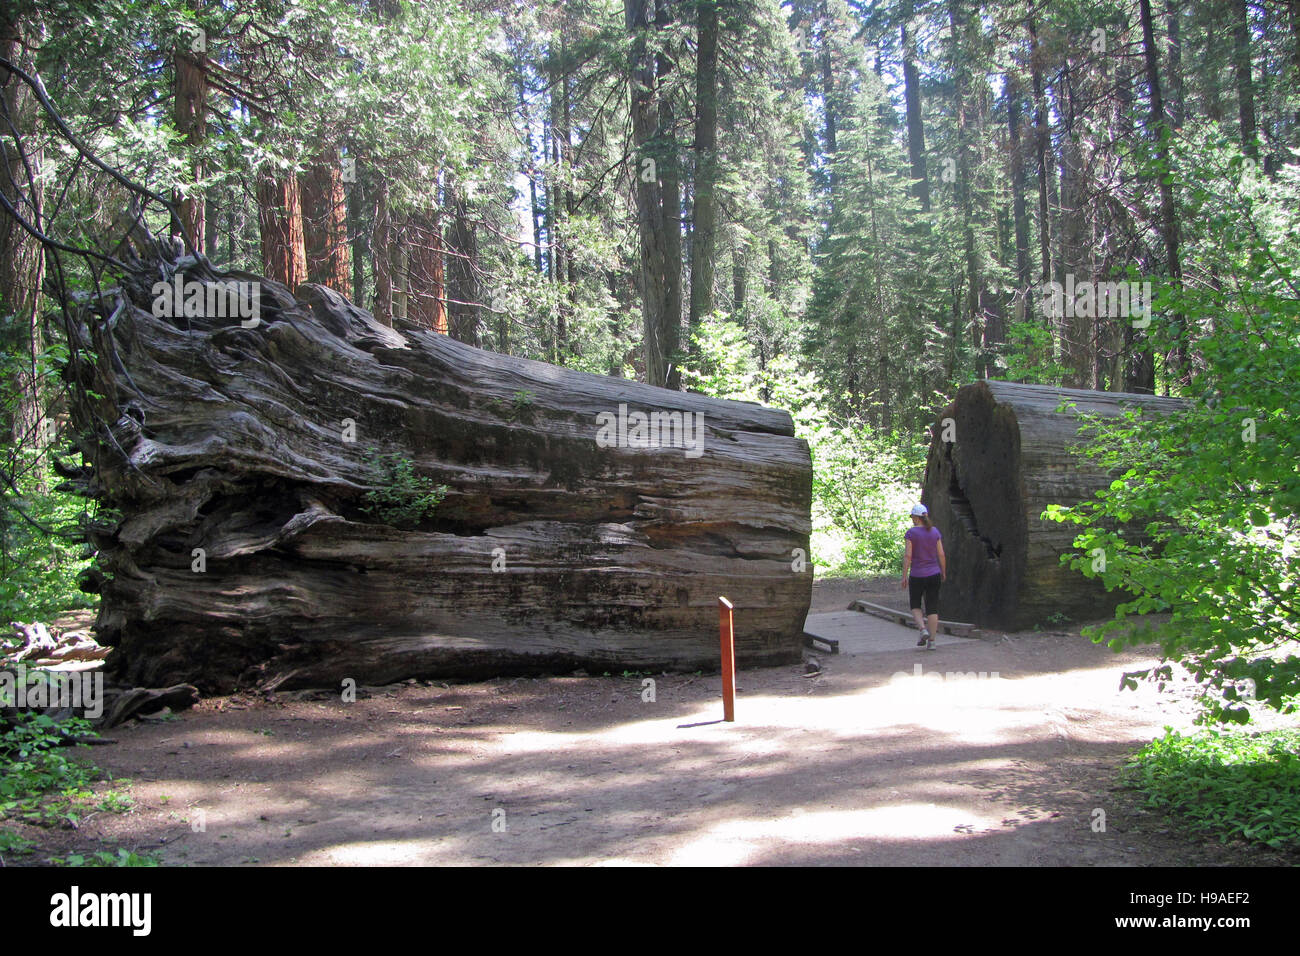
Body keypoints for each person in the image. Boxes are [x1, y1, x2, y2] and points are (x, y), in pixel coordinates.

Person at [900, 503, 945, 650]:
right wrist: (943, 571)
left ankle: (922, 629)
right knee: (932, 607)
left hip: (917, 575)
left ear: (916, 517)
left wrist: (904, 575)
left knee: (915, 605)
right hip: (934, 573)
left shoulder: (911, 533)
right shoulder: (935, 532)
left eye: (912, 516)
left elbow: (908, 556)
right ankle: (932, 641)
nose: (912, 519)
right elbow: (941, 554)